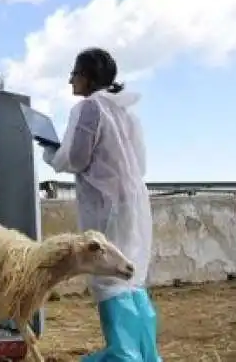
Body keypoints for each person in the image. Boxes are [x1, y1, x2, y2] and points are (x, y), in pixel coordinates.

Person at [41, 48, 161, 362]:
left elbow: (77, 158)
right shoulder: (126, 112)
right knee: (131, 273)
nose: (70, 80)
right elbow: (140, 162)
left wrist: (52, 153)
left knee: (108, 273)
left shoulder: (89, 108)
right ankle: (145, 353)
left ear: (88, 77)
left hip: (105, 204)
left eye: (75, 73)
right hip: (132, 201)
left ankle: (123, 355)